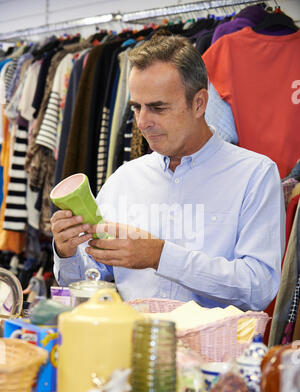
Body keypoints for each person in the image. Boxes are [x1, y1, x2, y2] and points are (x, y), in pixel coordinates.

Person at [51, 35, 285, 311]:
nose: (142, 122)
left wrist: (161, 256)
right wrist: (66, 252)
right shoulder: (124, 180)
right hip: (130, 345)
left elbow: (259, 287)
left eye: (157, 108)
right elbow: (90, 279)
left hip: (214, 351)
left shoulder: (254, 175)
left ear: (199, 103)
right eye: (137, 107)